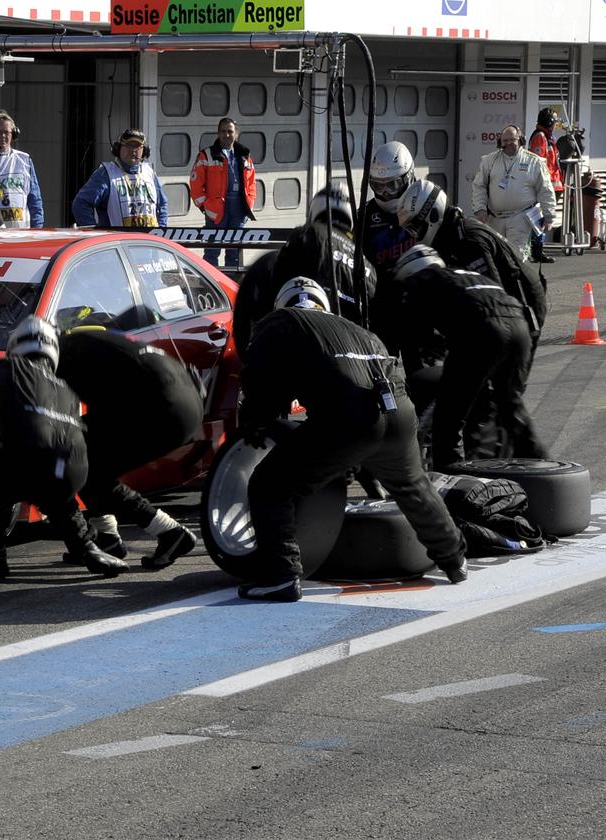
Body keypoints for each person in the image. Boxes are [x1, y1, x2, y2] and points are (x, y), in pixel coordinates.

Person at [234, 276, 465, 601]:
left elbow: (258, 375)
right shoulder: (361, 332)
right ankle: (454, 558)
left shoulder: (282, 321)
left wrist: (255, 420)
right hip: (398, 411)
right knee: (412, 484)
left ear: (282, 304)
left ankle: (280, 576)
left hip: (349, 418)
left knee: (269, 485)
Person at [0, 316, 128, 578]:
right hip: (76, 469)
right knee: (52, 481)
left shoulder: (9, 369)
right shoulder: (66, 388)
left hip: (33, 461)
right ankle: (86, 546)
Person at [55, 327, 202, 570]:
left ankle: (170, 532)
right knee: (90, 458)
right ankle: (109, 539)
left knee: (86, 467)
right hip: (184, 400)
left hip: (160, 407)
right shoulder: (86, 342)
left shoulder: (65, 356)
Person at [390, 244, 547, 470]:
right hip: (519, 326)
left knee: (449, 417)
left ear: (408, 273)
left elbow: (416, 337)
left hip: (484, 330)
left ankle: (451, 477)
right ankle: (542, 470)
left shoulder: (420, 281)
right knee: (511, 407)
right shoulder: (463, 274)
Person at [396, 178, 546, 345]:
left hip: (522, 304)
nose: (414, 235)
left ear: (432, 214)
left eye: (415, 227)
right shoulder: (449, 235)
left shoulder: (468, 240)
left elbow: (493, 295)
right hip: (505, 306)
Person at [233, 181, 375, 356]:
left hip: (301, 348)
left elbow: (279, 290)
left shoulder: (306, 235)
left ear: (314, 211)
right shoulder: (367, 265)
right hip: (349, 359)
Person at [470, 124, 555, 262]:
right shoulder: (489, 161)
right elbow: (479, 186)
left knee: (516, 258)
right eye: (505, 141)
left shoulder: (534, 162)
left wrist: (549, 215)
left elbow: (545, 189)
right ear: (500, 142)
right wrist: (480, 209)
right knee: (495, 257)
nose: (508, 143)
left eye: (512, 140)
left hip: (520, 218)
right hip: (494, 218)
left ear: (520, 140)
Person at [188, 118, 257, 266]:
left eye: (230, 131)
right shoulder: (206, 155)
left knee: (235, 252)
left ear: (236, 134)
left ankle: (232, 284)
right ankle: (211, 283)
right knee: (212, 251)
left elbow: (251, 183)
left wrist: (249, 204)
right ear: (218, 133)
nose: (227, 135)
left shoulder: (244, 155)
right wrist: (205, 207)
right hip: (216, 209)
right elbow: (195, 184)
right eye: (223, 131)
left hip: (238, 209)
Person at [71, 128, 168, 228]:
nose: (133, 150)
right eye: (129, 145)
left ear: (145, 151)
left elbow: (163, 204)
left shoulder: (150, 173)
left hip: (146, 242)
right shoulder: (105, 174)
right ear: (118, 149)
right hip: (118, 242)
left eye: (138, 146)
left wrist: (162, 231)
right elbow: (80, 204)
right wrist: (93, 233)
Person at [358, 141, 418, 275]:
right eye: (378, 186)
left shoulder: (425, 207)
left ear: (409, 177)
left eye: (393, 185)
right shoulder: (363, 217)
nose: (385, 193)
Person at [526, 109, 564, 263]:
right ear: (549, 123)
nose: (555, 125)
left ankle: (537, 250)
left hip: (552, 186)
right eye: (554, 123)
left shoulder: (547, 138)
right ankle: (537, 251)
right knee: (540, 220)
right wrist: (543, 186)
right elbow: (538, 163)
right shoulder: (540, 137)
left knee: (541, 220)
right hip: (545, 187)